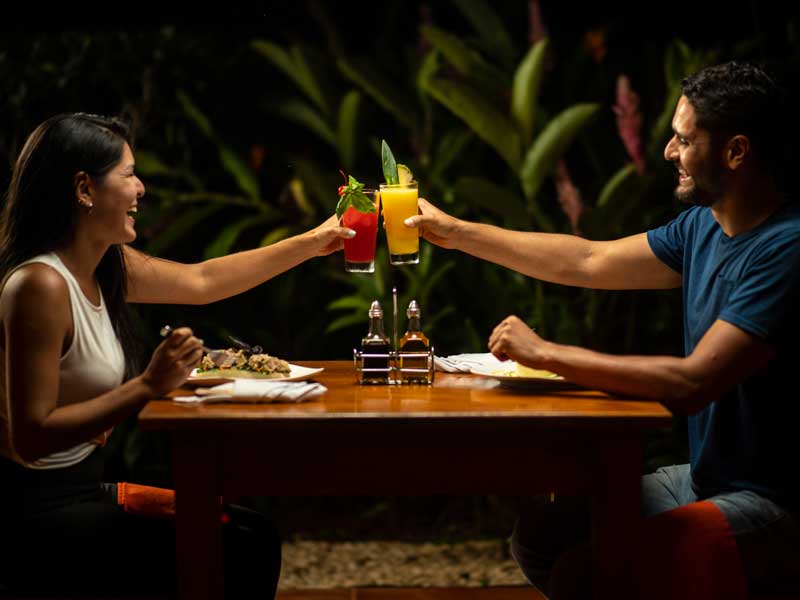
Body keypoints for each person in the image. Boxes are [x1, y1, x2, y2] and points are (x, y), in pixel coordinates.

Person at [405, 61, 800, 597]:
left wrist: (545, 353)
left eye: (684, 140)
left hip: (771, 502)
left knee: (586, 573)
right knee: (545, 537)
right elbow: (588, 260)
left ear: (735, 151)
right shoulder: (703, 227)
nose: (667, 152)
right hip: (707, 479)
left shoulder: (785, 248)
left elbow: (692, 383)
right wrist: (455, 232)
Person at [0, 112, 355, 598]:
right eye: (127, 174)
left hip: (81, 490)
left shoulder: (104, 265)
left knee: (250, 532)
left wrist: (313, 243)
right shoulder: (38, 285)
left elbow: (201, 282)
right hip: (37, 513)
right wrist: (147, 386)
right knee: (238, 548)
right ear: (84, 189)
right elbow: (31, 436)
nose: (141, 188)